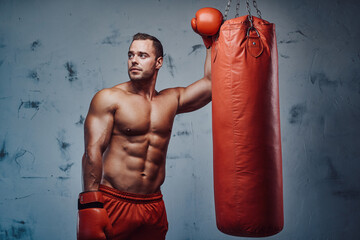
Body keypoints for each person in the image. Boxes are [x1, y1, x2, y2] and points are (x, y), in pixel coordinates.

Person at [77, 8, 223, 240]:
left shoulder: (170, 100)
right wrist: (89, 205)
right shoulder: (109, 98)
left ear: (158, 62)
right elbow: (92, 151)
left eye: (142, 55)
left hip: (153, 204)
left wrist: (211, 43)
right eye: (130, 54)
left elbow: (213, 84)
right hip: (114, 201)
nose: (134, 60)